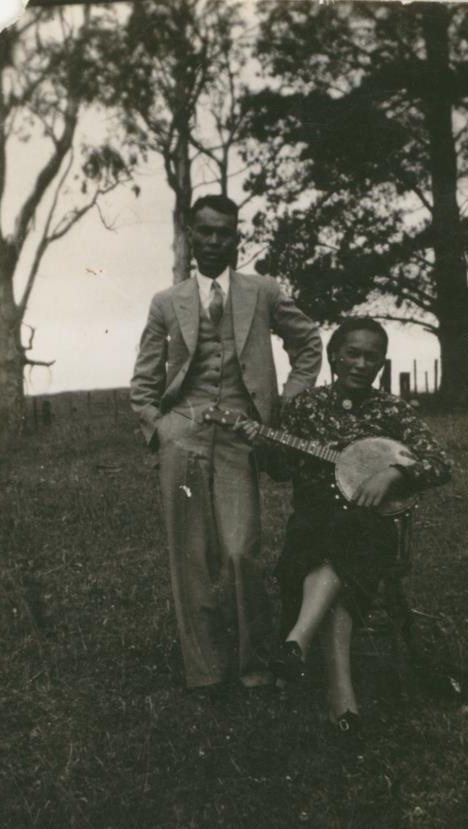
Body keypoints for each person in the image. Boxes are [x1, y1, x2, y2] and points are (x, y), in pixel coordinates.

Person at [130, 195, 322, 691]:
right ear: (190, 236)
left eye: (225, 233)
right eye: (206, 232)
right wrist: (163, 426)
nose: (215, 241)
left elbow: (309, 343)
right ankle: (205, 672)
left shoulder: (263, 291)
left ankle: (253, 666)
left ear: (238, 237)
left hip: (241, 436)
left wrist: (288, 405)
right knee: (190, 557)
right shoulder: (166, 302)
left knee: (241, 550)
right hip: (184, 437)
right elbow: (143, 385)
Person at [240, 316, 451, 735]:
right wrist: (261, 442)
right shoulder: (306, 408)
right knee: (329, 536)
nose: (360, 363)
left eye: (371, 357)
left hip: (371, 529)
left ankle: (297, 642)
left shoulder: (393, 411)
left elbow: (440, 464)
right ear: (334, 355)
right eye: (351, 353)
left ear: (381, 364)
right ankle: (342, 703)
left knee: (344, 536)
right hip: (313, 526)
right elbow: (282, 470)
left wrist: (395, 475)